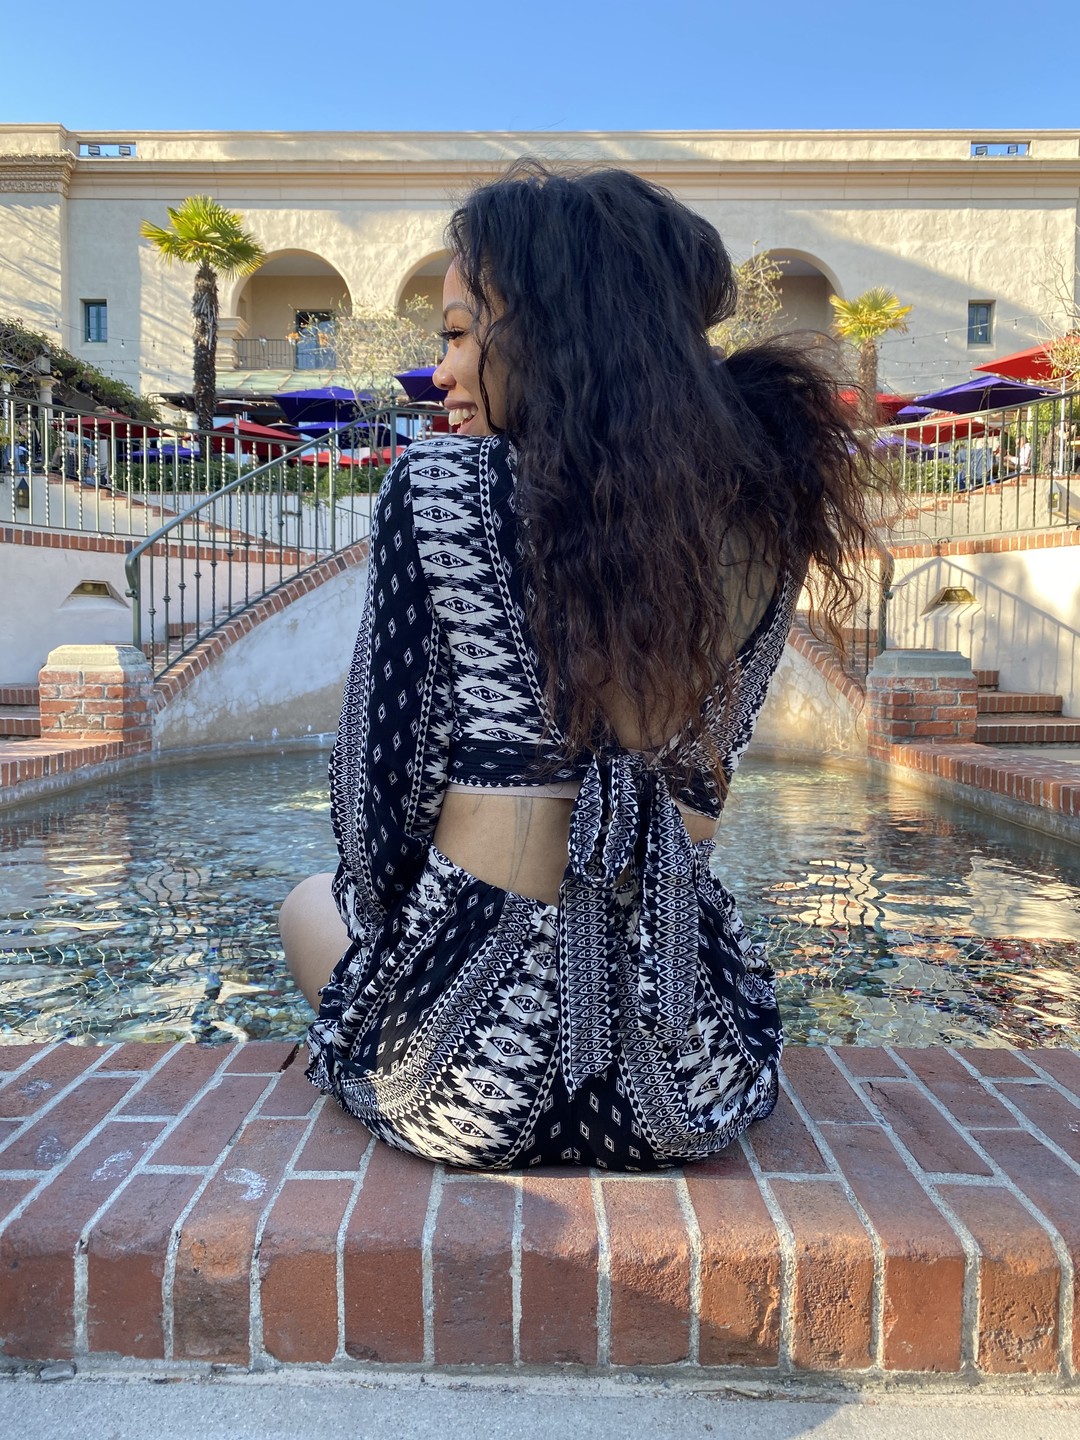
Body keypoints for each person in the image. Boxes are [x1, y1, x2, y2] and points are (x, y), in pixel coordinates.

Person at [280, 163, 877, 1171]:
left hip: (468, 1081)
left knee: (308, 901)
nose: (440, 373)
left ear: (555, 331)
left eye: (459, 334)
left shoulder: (440, 486)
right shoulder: (767, 521)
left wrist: (411, 945)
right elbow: (704, 792)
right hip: (689, 1080)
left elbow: (379, 808)